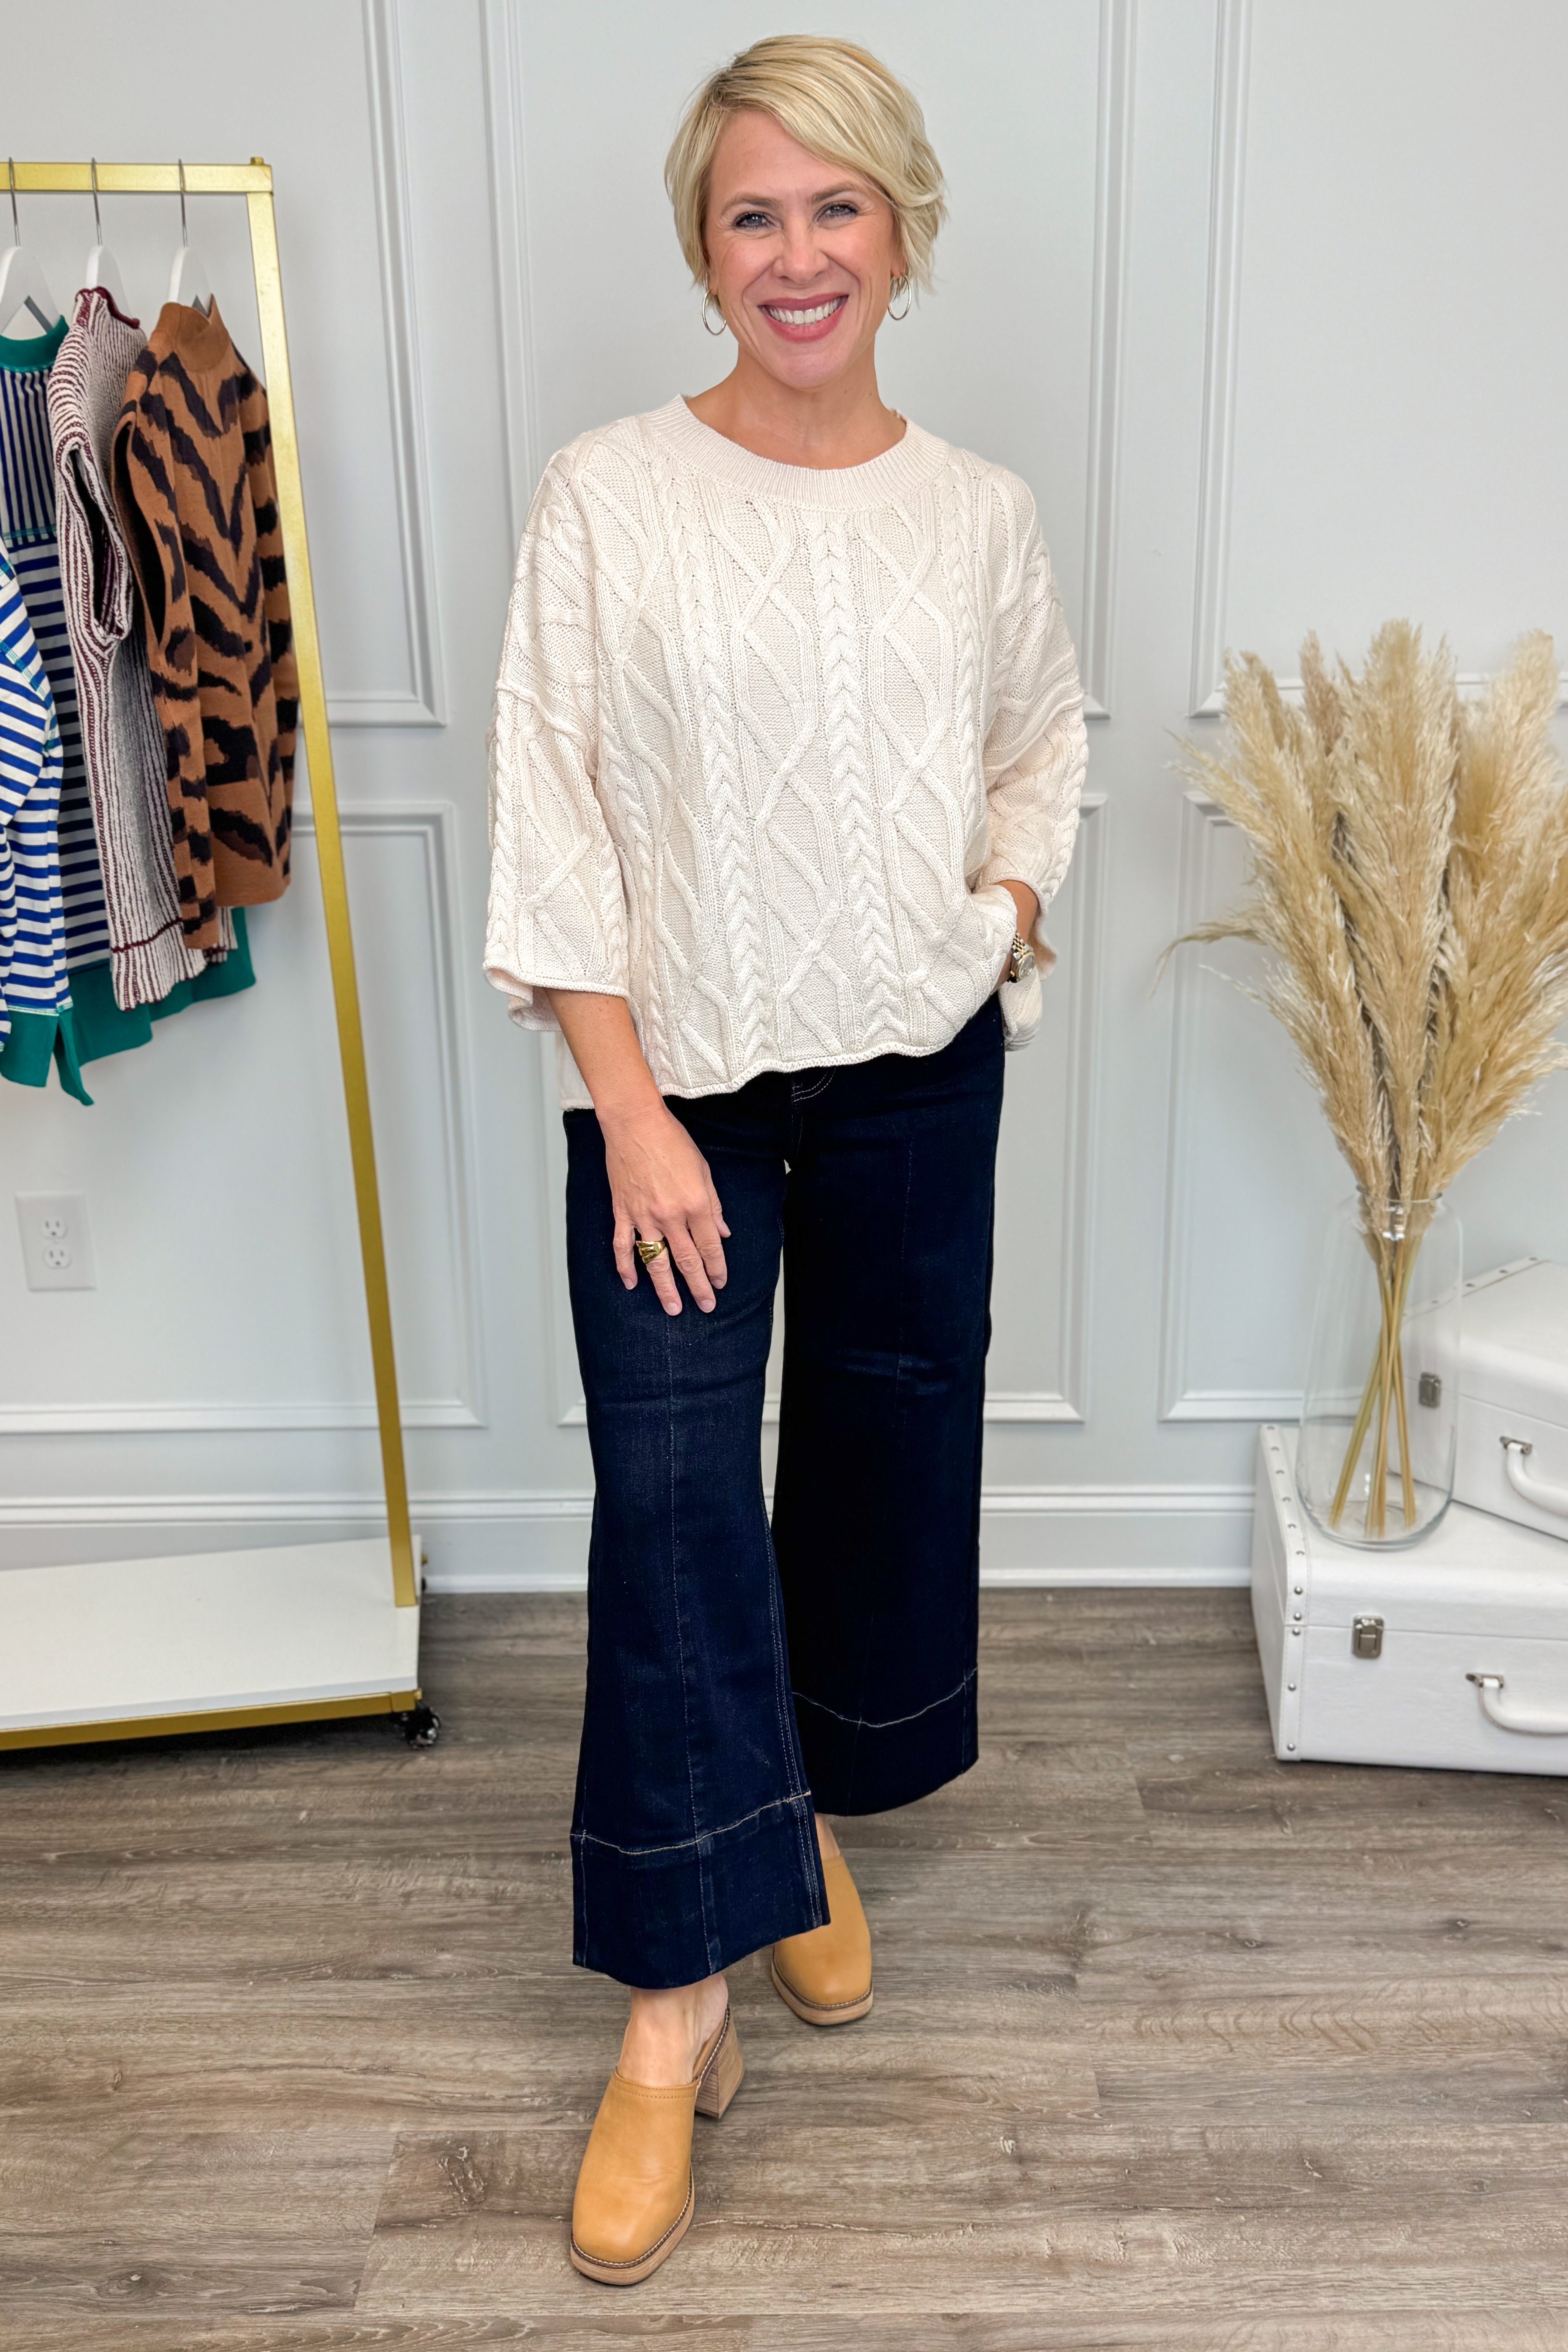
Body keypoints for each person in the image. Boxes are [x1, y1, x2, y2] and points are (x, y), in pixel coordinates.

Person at [484, 32, 1087, 2286]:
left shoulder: (980, 513)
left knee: (877, 1454)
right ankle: (672, 2020)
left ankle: (796, 1824)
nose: (799, 252)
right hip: (688, 1086)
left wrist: (1003, 912)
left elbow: (1046, 742)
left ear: (902, 239)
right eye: (756, 213)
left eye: (839, 209)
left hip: (921, 1070)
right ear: (703, 248)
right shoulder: (607, 496)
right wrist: (630, 1108)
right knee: (668, 1497)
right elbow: (550, 815)